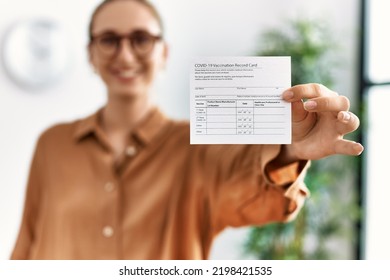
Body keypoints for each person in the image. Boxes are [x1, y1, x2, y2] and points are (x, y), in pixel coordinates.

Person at [11, 0, 364, 260]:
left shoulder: (201, 149)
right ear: (91, 54)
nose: (125, 53)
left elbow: (259, 199)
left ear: (164, 53)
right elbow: (26, 245)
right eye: (108, 39)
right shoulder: (52, 144)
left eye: (141, 39)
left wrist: (290, 151)